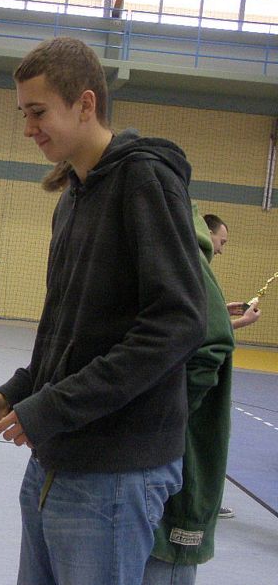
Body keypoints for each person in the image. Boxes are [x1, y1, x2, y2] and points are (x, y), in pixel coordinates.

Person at [0, 37, 206, 585]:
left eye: (38, 112)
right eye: (23, 114)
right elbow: (67, 332)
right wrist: (14, 393)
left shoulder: (145, 180)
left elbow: (178, 323)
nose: (28, 128)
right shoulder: (71, 196)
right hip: (57, 457)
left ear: (85, 104)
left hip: (114, 471)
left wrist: (52, 408)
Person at [141, 204, 236, 585]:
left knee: (168, 554)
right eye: (221, 242)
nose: (222, 249)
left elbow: (212, 344)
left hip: (180, 453)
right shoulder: (175, 256)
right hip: (163, 450)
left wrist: (162, 417)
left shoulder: (182, 257)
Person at [203, 212, 262, 521]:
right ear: (207, 233)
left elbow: (202, 318)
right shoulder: (194, 269)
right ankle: (202, 504)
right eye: (221, 242)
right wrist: (241, 322)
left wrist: (221, 311)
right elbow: (200, 331)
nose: (222, 250)